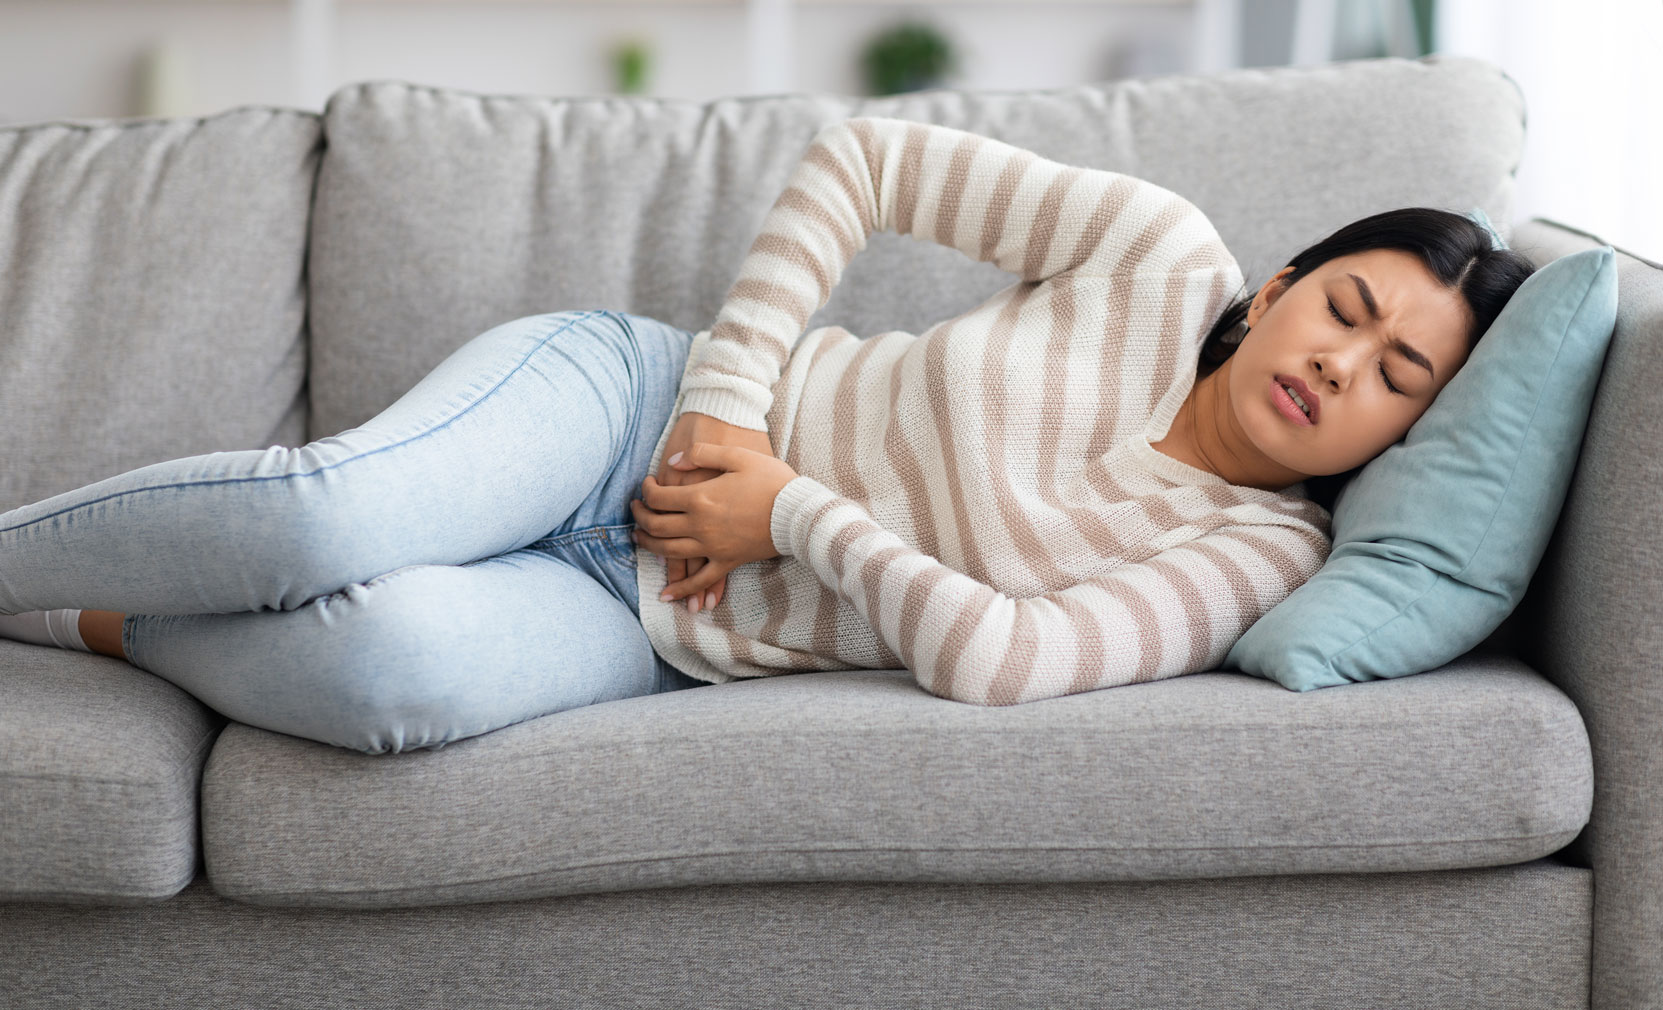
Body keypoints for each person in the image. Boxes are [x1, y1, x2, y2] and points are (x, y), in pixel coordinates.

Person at [0, 116, 1535, 754]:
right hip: (632, 411)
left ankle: (105, 621)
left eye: (1397, 374)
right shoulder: (1158, 250)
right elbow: (862, 159)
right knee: (325, 521)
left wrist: (789, 510)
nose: (1341, 364)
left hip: (662, 624)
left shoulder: (1261, 555)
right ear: (1277, 286)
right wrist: (722, 421)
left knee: (388, 675)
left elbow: (1005, 660)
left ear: (1405, 429)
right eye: (1345, 308)